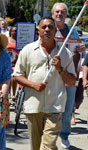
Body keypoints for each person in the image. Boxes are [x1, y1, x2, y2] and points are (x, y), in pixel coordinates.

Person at [13, 16, 76, 150]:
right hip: (33, 105)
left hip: (55, 106)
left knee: (48, 146)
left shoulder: (64, 53)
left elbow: (72, 81)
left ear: (55, 31)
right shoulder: (28, 50)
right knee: (36, 147)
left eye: (50, 27)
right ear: (39, 31)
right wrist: (33, 85)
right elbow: (17, 75)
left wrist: (60, 69)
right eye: (44, 27)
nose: (47, 30)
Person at [52, 3, 85, 148]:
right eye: (57, 11)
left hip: (69, 75)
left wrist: (81, 49)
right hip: (51, 75)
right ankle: (49, 134)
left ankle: (64, 136)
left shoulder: (73, 32)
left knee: (67, 107)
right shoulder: (47, 28)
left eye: (62, 12)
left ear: (66, 15)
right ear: (53, 13)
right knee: (50, 107)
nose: (59, 14)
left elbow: (79, 49)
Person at [6, 25, 18, 100]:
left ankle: (14, 94)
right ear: (11, 32)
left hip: (16, 61)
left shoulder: (19, 40)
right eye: (14, 31)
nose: (15, 32)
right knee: (9, 78)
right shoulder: (7, 40)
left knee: (14, 77)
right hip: (7, 61)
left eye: (17, 31)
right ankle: (8, 94)